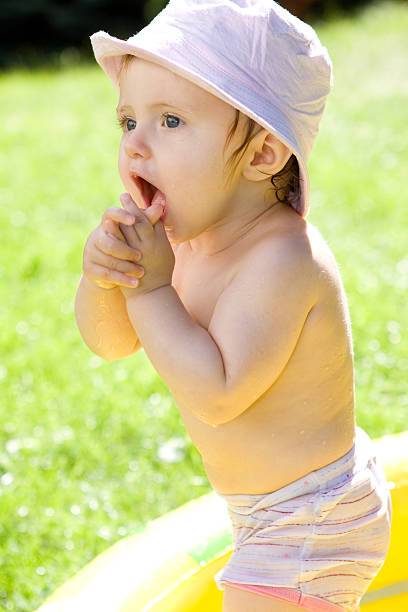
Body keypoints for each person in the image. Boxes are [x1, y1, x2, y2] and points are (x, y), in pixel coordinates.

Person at [75, 1, 391, 610]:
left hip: (310, 522)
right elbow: (109, 343)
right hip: (267, 511)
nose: (137, 145)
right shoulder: (183, 239)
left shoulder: (283, 261)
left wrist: (151, 288)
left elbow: (218, 394)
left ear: (262, 156)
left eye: (169, 121)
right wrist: (106, 278)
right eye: (127, 121)